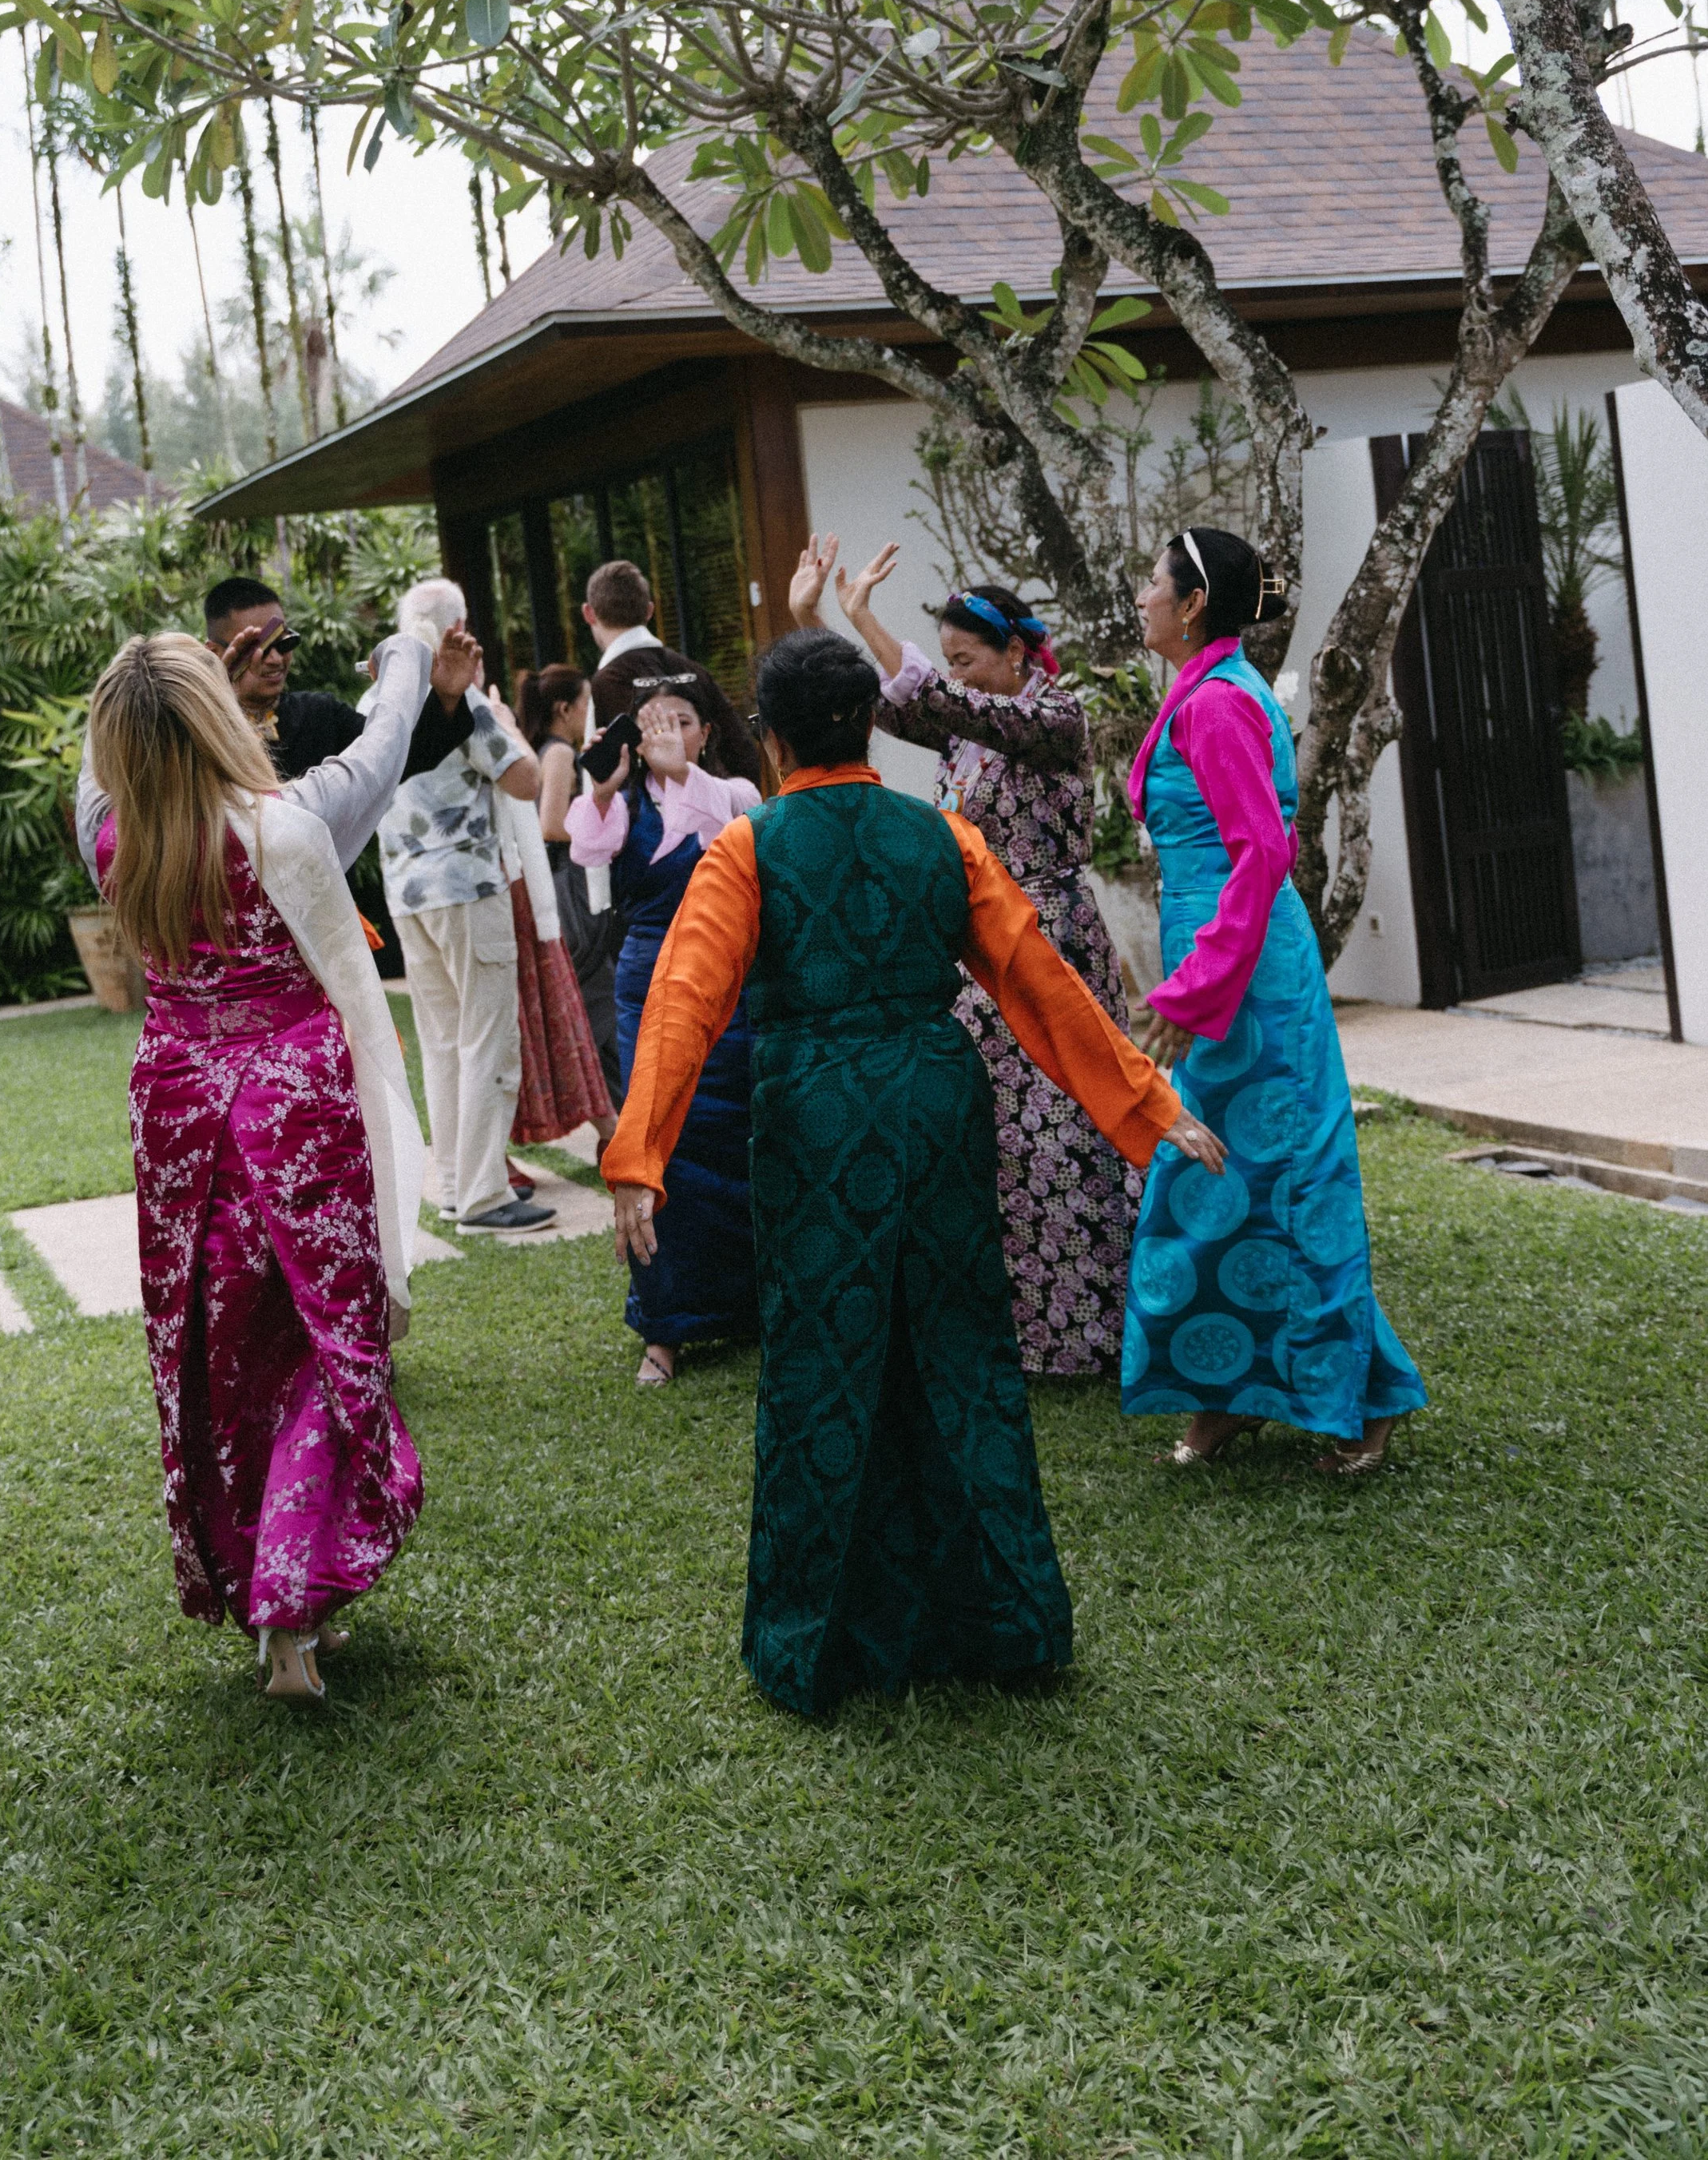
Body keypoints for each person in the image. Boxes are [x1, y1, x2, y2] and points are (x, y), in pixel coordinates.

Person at [602, 630, 1222, 1715]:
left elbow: (683, 1002)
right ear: (871, 727)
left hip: (816, 1114)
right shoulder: (944, 836)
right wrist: (1149, 1103)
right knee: (962, 1346)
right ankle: (1006, 1619)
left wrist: (640, 1158)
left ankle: (818, 1640)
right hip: (936, 1097)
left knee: (820, 1358)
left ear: (777, 735)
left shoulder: (748, 849)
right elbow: (1043, 983)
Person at [81, 629, 434, 1701]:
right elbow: (351, 979)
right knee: (327, 1337)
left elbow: (94, 768)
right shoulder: (279, 830)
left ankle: (272, 1606)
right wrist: (411, 649)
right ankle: (293, 1605)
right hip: (292, 1101)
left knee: (220, 1351)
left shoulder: (109, 835)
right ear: (220, 717)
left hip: (179, 1106)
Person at [795, 537, 1146, 1383]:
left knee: (1062, 1129)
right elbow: (883, 708)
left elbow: (941, 702)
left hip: (1049, 940)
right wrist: (819, 621)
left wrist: (873, 625)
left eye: (967, 659)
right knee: (997, 1138)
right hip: (981, 949)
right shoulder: (967, 729)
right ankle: (1020, 1331)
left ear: (1016, 651)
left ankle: (1093, 1332)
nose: (957, 674)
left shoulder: (1053, 717)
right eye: (946, 660)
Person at [1124, 526, 1428, 1474]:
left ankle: (1361, 1398)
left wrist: (1192, 989)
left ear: (1193, 604)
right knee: (1212, 1178)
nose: (1139, 595)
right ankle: (1229, 1391)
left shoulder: (1216, 704)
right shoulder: (1199, 688)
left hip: (1243, 971)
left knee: (1289, 1183)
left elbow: (1262, 854)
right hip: (1218, 956)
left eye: (1152, 581)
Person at [569, 676, 761, 1385]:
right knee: (658, 1139)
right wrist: (600, 785)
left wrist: (684, 773)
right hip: (647, 979)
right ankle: (665, 1329)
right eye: (653, 724)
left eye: (683, 721)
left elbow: (741, 823)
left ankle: (754, 1304)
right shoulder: (620, 806)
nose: (668, 735)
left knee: (738, 1134)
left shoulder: (733, 793)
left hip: (726, 981)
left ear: (706, 733)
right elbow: (586, 850)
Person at [378, 578, 553, 1233]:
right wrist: (508, 723)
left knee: (443, 1042)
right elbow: (526, 780)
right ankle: (483, 1195)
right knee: (487, 1039)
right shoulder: (463, 700)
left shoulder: (379, 697)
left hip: (406, 893)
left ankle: (454, 1184)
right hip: (467, 886)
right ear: (460, 628)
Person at [518, 662, 621, 1100]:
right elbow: (550, 824)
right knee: (598, 987)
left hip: (558, 881)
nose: (588, 713)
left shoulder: (543, 749)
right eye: (585, 704)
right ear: (565, 708)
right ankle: (614, 1102)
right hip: (569, 882)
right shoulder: (559, 752)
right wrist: (602, 833)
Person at [584, 558, 762, 788]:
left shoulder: (608, 681)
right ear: (649, 611)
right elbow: (742, 755)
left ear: (589, 613)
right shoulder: (694, 671)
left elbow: (615, 781)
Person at [203, 574, 367, 780]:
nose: (275, 659)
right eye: (255, 649)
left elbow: (398, 747)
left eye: (284, 643)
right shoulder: (197, 732)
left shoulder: (322, 716)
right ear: (214, 653)